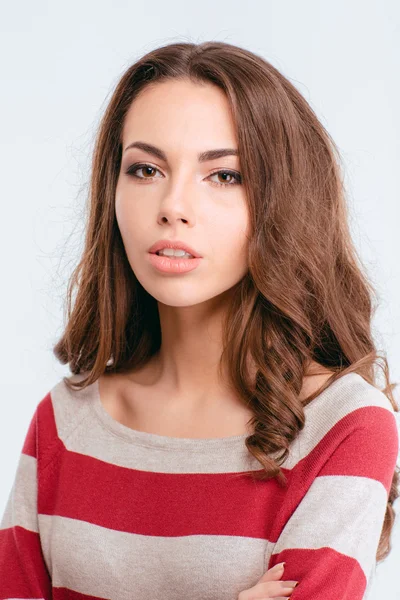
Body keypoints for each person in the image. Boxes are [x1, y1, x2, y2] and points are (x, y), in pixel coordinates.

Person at [0, 40, 398, 600]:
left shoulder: (343, 427)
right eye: (145, 169)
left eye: (225, 176)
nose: (173, 204)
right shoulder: (65, 423)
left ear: (284, 200)